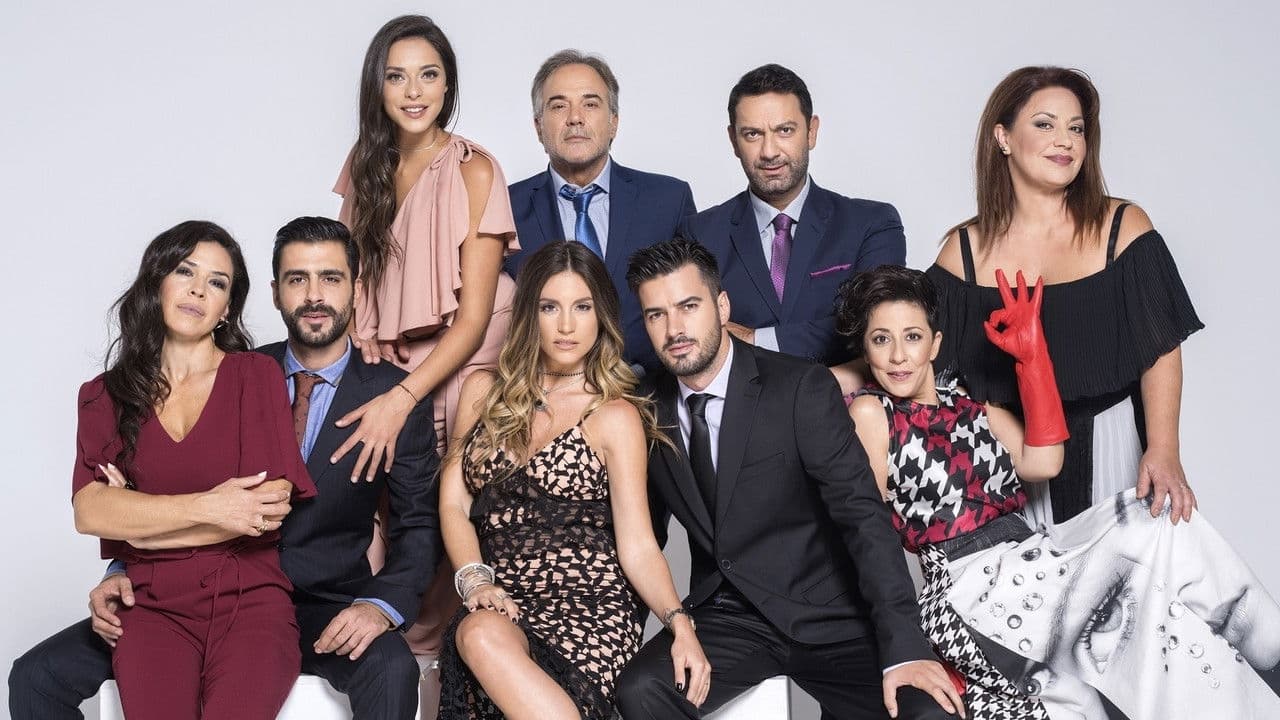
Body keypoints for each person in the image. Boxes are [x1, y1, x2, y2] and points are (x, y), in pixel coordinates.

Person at [9, 217, 441, 720]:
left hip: (318, 601)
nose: (314, 295)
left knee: (389, 666)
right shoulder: (241, 368)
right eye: (297, 279)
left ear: (357, 290)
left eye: (331, 278)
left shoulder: (391, 396)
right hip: (170, 596)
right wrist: (123, 563)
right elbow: (114, 499)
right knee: (36, 676)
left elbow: (417, 524)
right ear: (275, 292)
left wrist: (379, 606)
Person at [836, 265, 1280, 719]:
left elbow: (1044, 461)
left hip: (1032, 556)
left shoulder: (970, 406)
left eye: (911, 337)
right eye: (880, 340)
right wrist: (903, 641)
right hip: (966, 585)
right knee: (1135, 598)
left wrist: (1034, 358)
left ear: (935, 344)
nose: (897, 356)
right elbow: (869, 528)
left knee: (1157, 521)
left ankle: (1269, 662)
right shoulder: (872, 413)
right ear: (865, 352)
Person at [615, 238, 961, 720]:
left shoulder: (798, 386)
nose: (674, 329)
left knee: (931, 713)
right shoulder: (643, 410)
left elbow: (863, 517)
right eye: (656, 315)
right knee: (639, 690)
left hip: (832, 614)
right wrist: (636, 636)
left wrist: (905, 644)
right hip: (731, 619)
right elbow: (642, 537)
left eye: (688, 306)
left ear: (721, 306)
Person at [434, 240, 706, 719]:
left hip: (590, 611)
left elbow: (639, 544)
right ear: (528, 314)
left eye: (582, 307)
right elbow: (454, 504)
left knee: (483, 642)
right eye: (549, 307)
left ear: (601, 315)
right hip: (501, 599)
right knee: (477, 632)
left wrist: (679, 623)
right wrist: (475, 580)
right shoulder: (482, 393)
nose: (565, 326)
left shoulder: (615, 415)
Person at [331, 14, 519, 699]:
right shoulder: (366, 165)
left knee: (446, 528)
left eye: (429, 75)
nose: (414, 91)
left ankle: (445, 697)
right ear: (376, 86)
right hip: (386, 368)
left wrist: (402, 399)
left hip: (460, 368)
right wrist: (363, 361)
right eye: (397, 76)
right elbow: (349, 283)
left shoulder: (474, 169)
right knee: (374, 535)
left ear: (448, 84)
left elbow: (471, 322)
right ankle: (390, 687)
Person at [62, 221, 318, 719]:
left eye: (217, 282)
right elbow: (90, 512)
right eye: (185, 271)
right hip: (150, 610)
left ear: (227, 309)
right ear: (156, 282)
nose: (199, 289)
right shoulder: (103, 395)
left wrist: (139, 526)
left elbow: (261, 513)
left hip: (251, 604)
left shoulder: (255, 376)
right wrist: (212, 506)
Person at [926, 66, 1203, 527]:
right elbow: (918, 357)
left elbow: (1161, 349)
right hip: (1011, 462)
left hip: (1114, 444)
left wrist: (1163, 449)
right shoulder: (964, 253)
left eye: (1076, 128)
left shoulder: (1123, 228)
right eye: (1045, 124)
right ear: (1003, 138)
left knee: (1123, 575)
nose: (1065, 141)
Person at [681, 64, 906, 366]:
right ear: (734, 140)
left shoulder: (872, 225)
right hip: (741, 397)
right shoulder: (699, 235)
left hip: (842, 396)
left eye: (784, 130)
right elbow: (692, 335)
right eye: (752, 134)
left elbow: (877, 327)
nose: (769, 151)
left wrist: (753, 338)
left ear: (811, 132)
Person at [506, 49, 697, 372]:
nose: (575, 118)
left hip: (649, 388)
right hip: (544, 389)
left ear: (614, 123)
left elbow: (693, 306)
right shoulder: (504, 207)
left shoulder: (668, 200)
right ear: (538, 127)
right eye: (559, 106)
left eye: (590, 104)